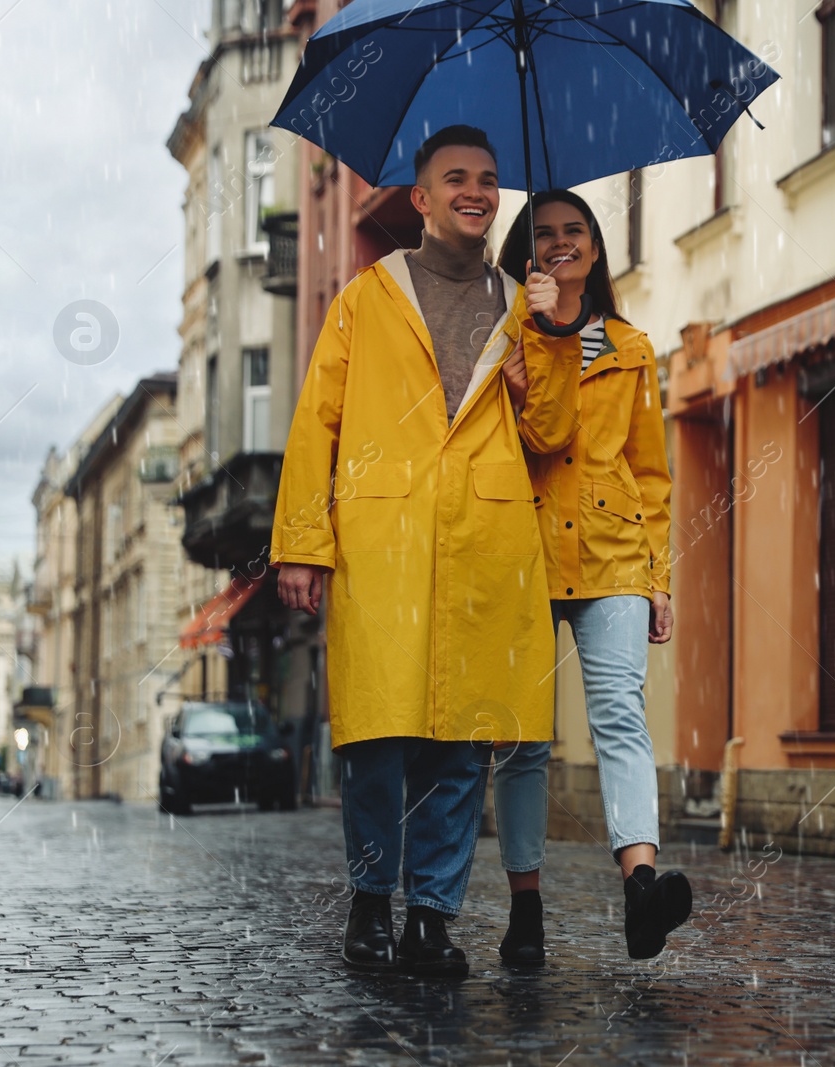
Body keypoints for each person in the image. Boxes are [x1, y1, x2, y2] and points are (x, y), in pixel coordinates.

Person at [271, 125, 582, 978]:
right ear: (422, 197)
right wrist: (302, 544)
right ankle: (372, 904)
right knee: (375, 735)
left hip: (485, 541)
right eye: (456, 179)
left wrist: (552, 341)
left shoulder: (523, 303)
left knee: (461, 743)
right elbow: (316, 421)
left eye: (487, 179)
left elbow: (553, 433)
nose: (475, 191)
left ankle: (431, 920)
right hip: (384, 539)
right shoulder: (366, 298)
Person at [491, 189, 689, 964]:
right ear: (526, 254)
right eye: (545, 235)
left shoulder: (632, 347)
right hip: (525, 548)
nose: (562, 243)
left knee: (620, 717)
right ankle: (526, 906)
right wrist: (539, 334)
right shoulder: (504, 335)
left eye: (576, 232)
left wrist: (658, 575)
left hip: (611, 553)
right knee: (522, 741)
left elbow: (651, 471)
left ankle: (641, 891)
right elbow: (544, 434)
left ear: (597, 252)